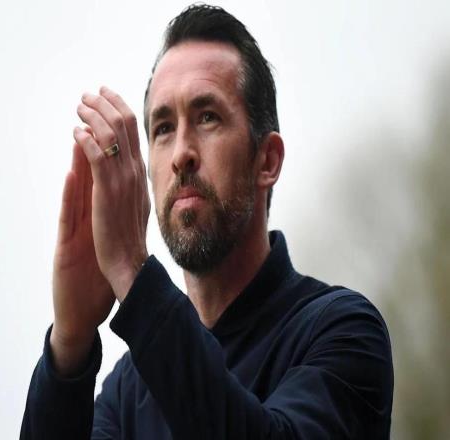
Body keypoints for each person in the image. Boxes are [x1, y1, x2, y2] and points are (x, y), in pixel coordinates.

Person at [21, 4, 393, 439]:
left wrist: (132, 273)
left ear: (267, 160)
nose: (181, 153)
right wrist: (69, 343)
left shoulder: (342, 332)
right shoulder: (126, 392)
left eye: (207, 117)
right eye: (163, 128)